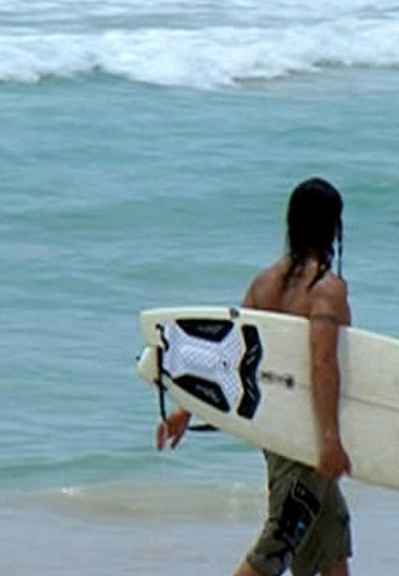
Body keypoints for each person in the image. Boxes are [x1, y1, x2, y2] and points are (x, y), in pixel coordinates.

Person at [155, 177, 353, 576]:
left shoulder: (264, 284)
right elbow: (323, 363)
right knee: (279, 540)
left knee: (331, 535)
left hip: (273, 430)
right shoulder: (326, 290)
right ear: (332, 227)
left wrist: (186, 409)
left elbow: (227, 355)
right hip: (307, 435)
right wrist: (331, 438)